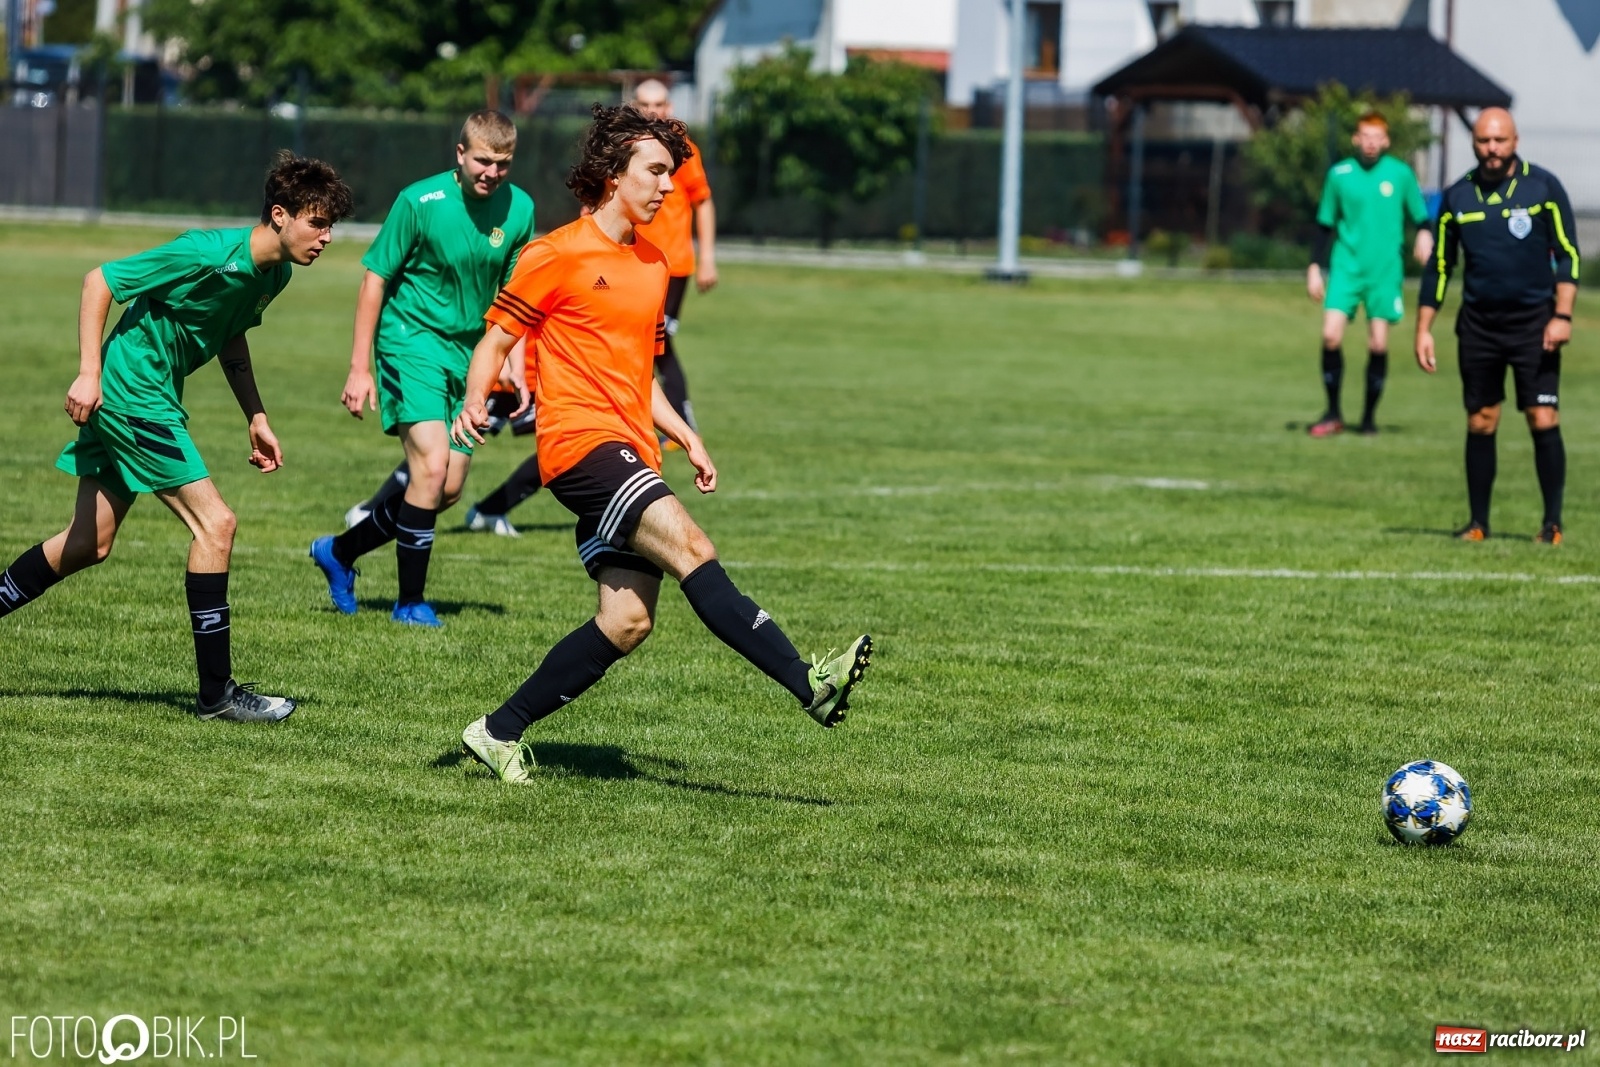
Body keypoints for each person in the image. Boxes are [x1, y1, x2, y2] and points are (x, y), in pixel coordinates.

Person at [451, 104, 870, 784]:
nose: (668, 186)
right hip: (580, 445)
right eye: (655, 171)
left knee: (625, 620)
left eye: (672, 174)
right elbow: (496, 339)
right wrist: (476, 399)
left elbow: (641, 372)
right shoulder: (555, 253)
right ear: (614, 175)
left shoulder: (651, 262)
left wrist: (686, 434)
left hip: (631, 444)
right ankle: (810, 682)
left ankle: (496, 730)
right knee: (693, 548)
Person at [0, 152, 353, 722]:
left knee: (89, 543)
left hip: (149, 395)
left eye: (331, 225)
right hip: (131, 393)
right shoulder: (206, 252)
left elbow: (231, 333)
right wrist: (89, 372)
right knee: (217, 524)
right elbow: (101, 281)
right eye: (318, 222)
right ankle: (217, 693)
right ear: (280, 215)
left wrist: (256, 416)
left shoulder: (275, 272)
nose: (327, 236)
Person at [310, 110, 536, 625]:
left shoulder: (520, 208)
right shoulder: (419, 201)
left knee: (446, 488)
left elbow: (515, 295)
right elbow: (375, 279)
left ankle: (340, 552)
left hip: (470, 355)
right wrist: (358, 367)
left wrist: (514, 363)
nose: (492, 172)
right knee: (431, 468)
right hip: (410, 342)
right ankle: (410, 602)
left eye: (503, 163)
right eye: (482, 160)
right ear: (460, 153)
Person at [1417, 107, 1580, 544]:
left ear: (1515, 140)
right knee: (1481, 419)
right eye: (1484, 142)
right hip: (1479, 327)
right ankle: (1478, 523)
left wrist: (1562, 315)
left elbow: (1568, 255)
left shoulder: (1543, 187)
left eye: (1500, 141)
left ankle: (1552, 524)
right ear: (1474, 143)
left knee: (1542, 416)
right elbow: (1439, 267)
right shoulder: (1457, 196)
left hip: (1536, 325)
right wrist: (1423, 328)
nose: (1492, 150)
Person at [1305, 112, 1434, 437]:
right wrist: (1314, 268)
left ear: (1386, 140)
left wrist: (1423, 233)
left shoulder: (1400, 174)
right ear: (1356, 139)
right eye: (1365, 135)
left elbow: (1422, 216)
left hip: (1384, 271)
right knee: (1330, 335)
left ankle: (1367, 419)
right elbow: (1324, 224)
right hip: (1346, 266)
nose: (1371, 142)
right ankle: (1333, 412)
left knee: (1378, 344)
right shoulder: (1340, 175)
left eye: (1377, 137)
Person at [632, 77, 716, 434]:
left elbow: (703, 202)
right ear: (634, 107)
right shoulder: (624, 147)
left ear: (670, 108)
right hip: (630, 263)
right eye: (646, 104)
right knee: (640, 342)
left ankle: (678, 419)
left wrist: (708, 258)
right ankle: (666, 419)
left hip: (672, 267)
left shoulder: (684, 150)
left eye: (660, 104)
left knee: (657, 345)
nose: (653, 111)